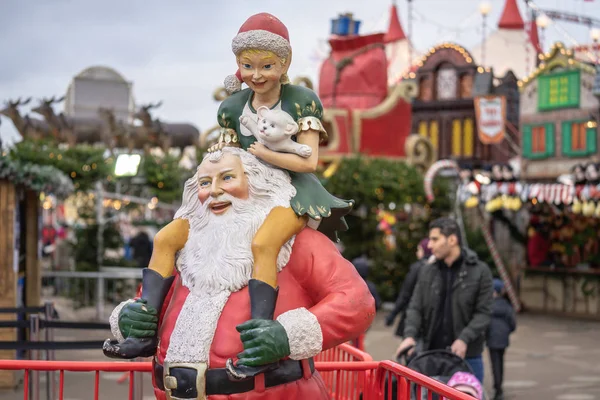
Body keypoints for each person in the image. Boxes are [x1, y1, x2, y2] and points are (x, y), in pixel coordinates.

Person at [103, 147, 375, 399]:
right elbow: (152, 308)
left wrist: (286, 335)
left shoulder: (298, 244)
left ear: (258, 184)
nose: (215, 191)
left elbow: (356, 302)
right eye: (205, 183)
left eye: (228, 178)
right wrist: (131, 319)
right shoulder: (186, 248)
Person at [395, 217, 493, 384]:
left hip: (467, 357)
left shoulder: (480, 271)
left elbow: (484, 313)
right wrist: (410, 335)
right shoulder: (427, 271)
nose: (430, 245)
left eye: (435, 239)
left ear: (452, 239)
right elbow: (415, 307)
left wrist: (464, 338)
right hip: (430, 356)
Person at [385, 238, 433, 337]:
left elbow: (405, 294)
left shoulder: (417, 268)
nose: (417, 252)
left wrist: (392, 315)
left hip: (414, 316)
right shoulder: (438, 267)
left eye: (419, 249)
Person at [487, 279, 516, 400]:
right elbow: (512, 323)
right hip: (503, 339)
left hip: (492, 339)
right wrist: (507, 332)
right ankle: (500, 387)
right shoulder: (506, 305)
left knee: (495, 364)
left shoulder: (488, 306)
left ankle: (497, 387)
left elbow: (484, 323)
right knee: (501, 362)